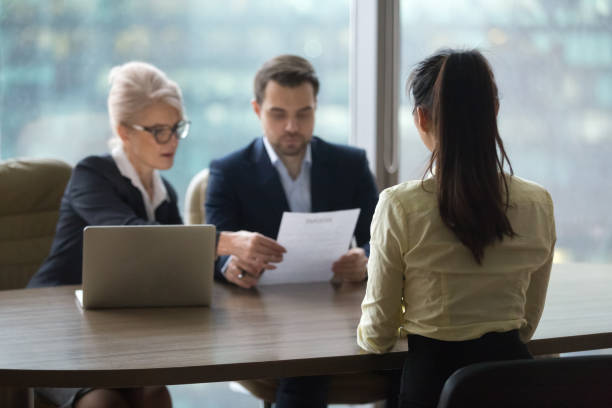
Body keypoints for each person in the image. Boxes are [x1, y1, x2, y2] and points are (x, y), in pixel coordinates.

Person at [27, 61, 283, 408]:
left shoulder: (164, 196)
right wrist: (227, 240)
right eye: (159, 130)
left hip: (113, 326)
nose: (172, 140)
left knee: (154, 395)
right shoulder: (91, 175)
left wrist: (227, 266)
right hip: (55, 322)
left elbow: (179, 260)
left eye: (177, 128)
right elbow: (131, 235)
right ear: (124, 131)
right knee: (104, 402)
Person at [356, 49, 557, 408]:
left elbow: (378, 335)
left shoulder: (399, 206)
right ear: (494, 111)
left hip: (433, 392)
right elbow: (525, 325)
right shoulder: (538, 203)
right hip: (515, 389)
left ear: (421, 118)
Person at [205, 55, 381, 407]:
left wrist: (364, 258)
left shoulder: (351, 164)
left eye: (303, 113)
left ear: (316, 108)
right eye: (278, 114)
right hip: (266, 314)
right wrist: (230, 267)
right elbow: (214, 248)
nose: (291, 126)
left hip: (338, 306)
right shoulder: (228, 171)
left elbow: (380, 239)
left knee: (413, 361)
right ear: (257, 110)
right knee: (307, 368)